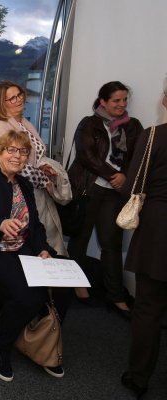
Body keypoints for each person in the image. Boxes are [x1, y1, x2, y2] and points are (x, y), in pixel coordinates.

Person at [0, 130, 71, 381]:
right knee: (28, 295)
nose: (17, 156)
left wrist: (43, 249)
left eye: (23, 151)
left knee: (64, 289)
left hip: (22, 250)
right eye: (11, 150)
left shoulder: (25, 184)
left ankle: (43, 343)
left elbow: (36, 226)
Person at [67, 81, 143, 317]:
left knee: (112, 243)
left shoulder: (133, 126)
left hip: (114, 193)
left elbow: (139, 156)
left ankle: (116, 296)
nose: (122, 104)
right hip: (88, 189)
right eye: (116, 100)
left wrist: (125, 176)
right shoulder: (89, 123)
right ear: (103, 101)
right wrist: (113, 175)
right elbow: (86, 155)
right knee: (80, 238)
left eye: (124, 100)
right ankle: (77, 285)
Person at [0, 80, 67, 257]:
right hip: (19, 193)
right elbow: (12, 165)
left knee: (44, 241)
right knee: (32, 241)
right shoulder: (0, 126)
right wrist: (44, 180)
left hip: (34, 190)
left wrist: (43, 167)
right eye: (12, 98)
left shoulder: (23, 123)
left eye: (19, 95)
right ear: (1, 103)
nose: (18, 100)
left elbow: (31, 157)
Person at [121, 89, 167, 399]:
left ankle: (139, 378)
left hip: (157, 232)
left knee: (149, 308)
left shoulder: (153, 136)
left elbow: (133, 187)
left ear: (165, 99)